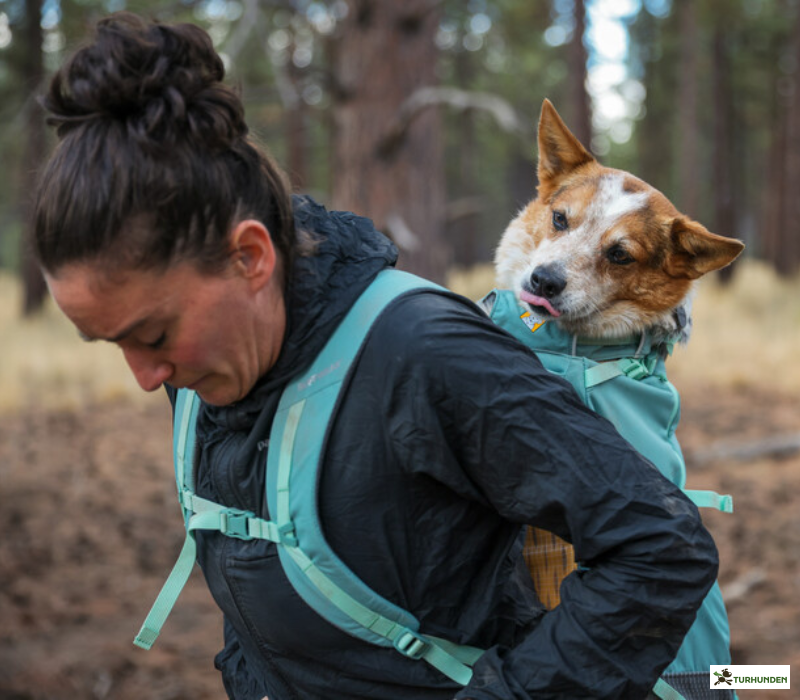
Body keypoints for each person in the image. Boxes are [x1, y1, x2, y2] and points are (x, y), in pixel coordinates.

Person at [35, 13, 718, 700]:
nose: (144, 376)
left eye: (151, 337)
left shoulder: (428, 356)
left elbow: (662, 550)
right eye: (110, 340)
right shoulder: (204, 363)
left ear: (250, 258)